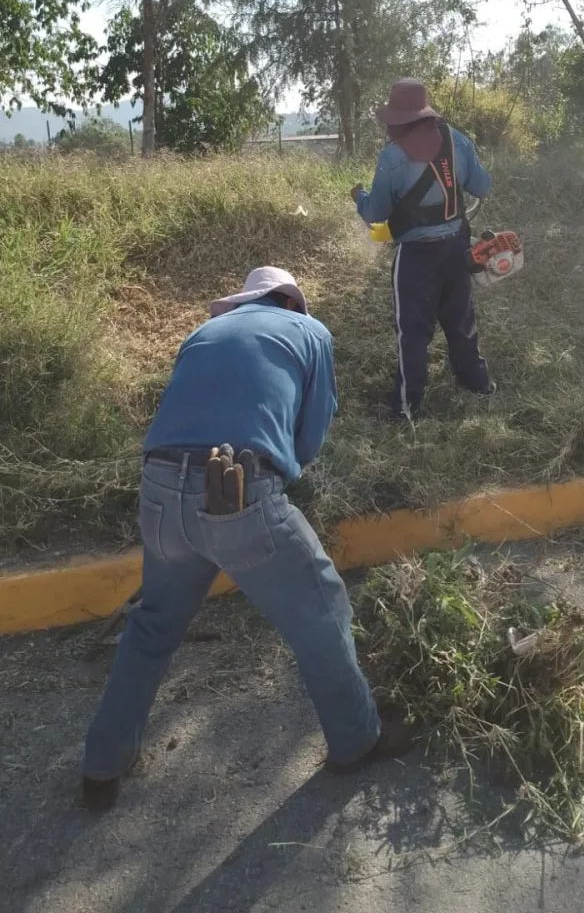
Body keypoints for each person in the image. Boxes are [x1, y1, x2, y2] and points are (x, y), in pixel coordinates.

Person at [81, 267, 411, 812]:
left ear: (248, 299)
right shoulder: (311, 333)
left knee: (153, 625)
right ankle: (357, 740)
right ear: (292, 302)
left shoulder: (203, 333)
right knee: (321, 608)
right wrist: (284, 474)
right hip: (239, 490)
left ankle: (101, 766)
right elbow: (311, 432)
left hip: (158, 490)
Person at [352, 79, 494, 420]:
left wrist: (357, 196)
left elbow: (376, 213)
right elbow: (482, 185)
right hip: (457, 248)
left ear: (398, 120)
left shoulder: (392, 157)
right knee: (461, 321)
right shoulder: (456, 140)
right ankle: (478, 384)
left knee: (412, 332)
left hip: (416, 255)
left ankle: (407, 405)